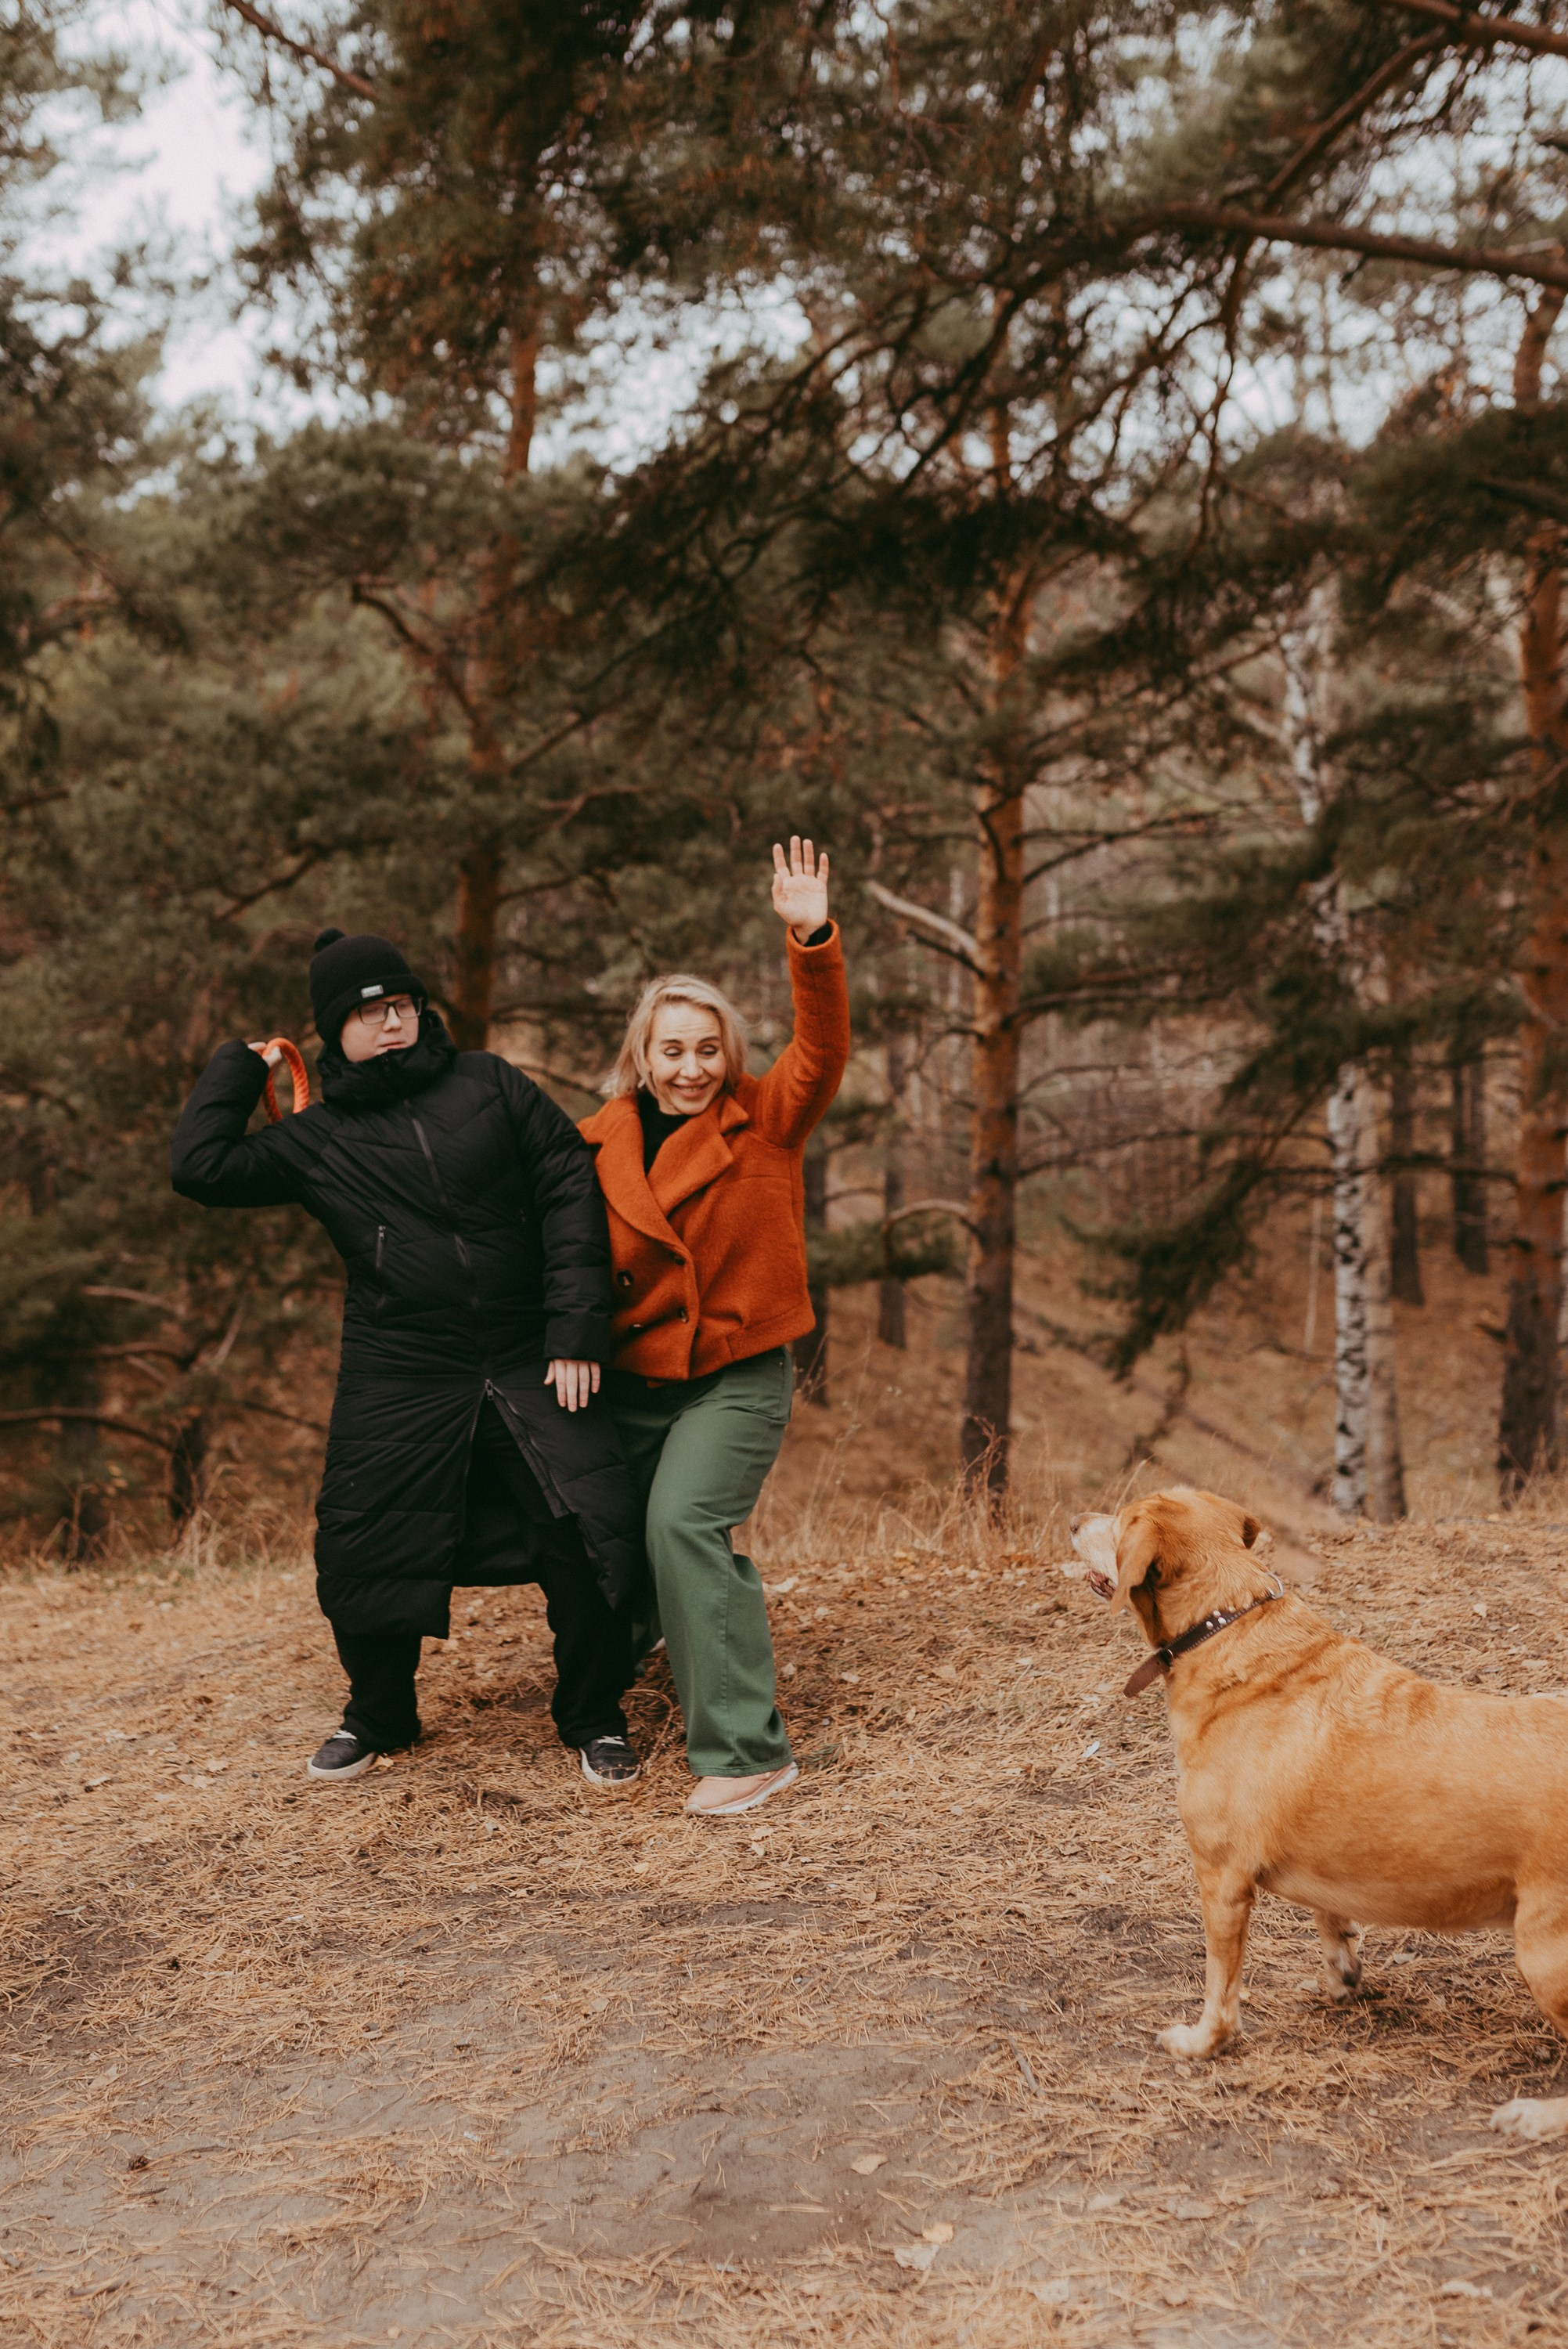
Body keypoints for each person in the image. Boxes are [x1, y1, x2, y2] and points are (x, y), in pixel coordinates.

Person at [171, 926, 643, 1788]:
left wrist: (574, 1328)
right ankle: (378, 1718)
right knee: (363, 1542)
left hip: (527, 1348)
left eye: (401, 1006)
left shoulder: (490, 1084)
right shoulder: (317, 1139)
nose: (391, 1024)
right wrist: (238, 1066)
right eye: (368, 1014)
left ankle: (593, 1715)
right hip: (400, 1366)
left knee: (590, 1528)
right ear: (332, 1032)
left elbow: (568, 1182)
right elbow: (200, 1166)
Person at [579, 838, 850, 1819]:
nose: (691, 1068)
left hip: (733, 1373)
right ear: (641, 1056)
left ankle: (745, 1752)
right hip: (629, 1379)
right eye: (672, 1050)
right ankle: (644, 1636)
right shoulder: (593, 1143)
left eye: (707, 1049)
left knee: (682, 1521)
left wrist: (808, 934)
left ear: (726, 1054)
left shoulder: (764, 1119)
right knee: (595, 1529)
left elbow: (821, 1048)